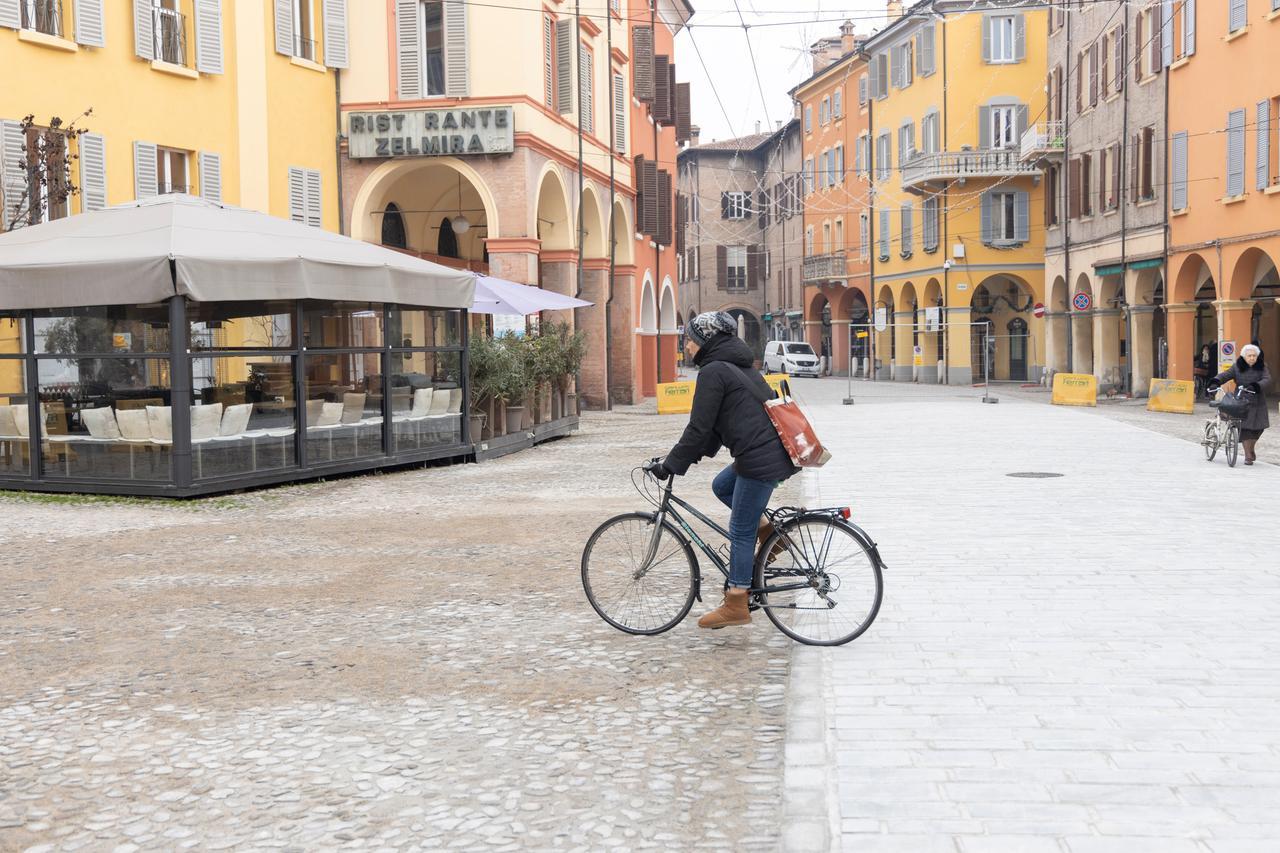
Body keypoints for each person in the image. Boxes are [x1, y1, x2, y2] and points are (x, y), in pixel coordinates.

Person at [649, 312, 799, 629]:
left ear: (706, 339)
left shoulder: (715, 371)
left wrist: (670, 465)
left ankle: (737, 601)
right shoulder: (737, 365)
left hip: (760, 458)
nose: (686, 345)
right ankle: (769, 532)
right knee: (722, 486)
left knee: (740, 531)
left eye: (690, 338)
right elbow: (715, 427)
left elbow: (698, 428)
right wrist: (683, 458)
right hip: (769, 453)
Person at [1209, 343, 1272, 465]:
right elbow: (1225, 375)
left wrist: (1256, 385)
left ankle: (1251, 448)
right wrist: (1216, 381)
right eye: (1250, 356)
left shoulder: (1262, 366)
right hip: (1241, 401)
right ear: (1244, 356)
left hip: (1258, 402)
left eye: (1254, 356)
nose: (1252, 358)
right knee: (1245, 429)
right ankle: (1248, 455)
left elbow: (1267, 379)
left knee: (1259, 428)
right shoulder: (1237, 366)